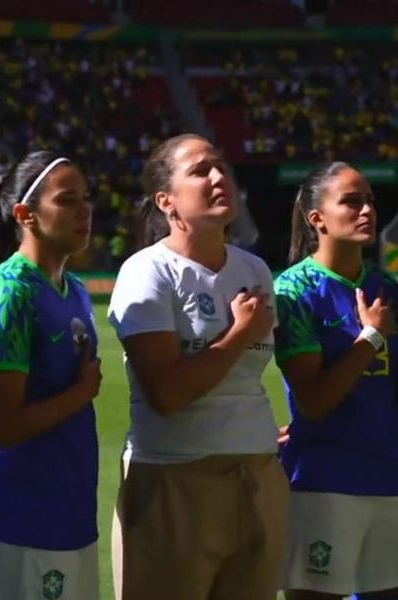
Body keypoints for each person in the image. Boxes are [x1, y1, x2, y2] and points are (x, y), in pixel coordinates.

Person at [108, 133, 289, 600]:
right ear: (166, 202)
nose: (218, 177)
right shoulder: (147, 272)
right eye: (200, 170)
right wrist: (237, 336)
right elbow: (166, 394)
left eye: (221, 167)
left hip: (257, 475)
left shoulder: (253, 270)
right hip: (174, 481)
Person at [0, 151, 102, 600]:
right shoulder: (9, 291)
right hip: (25, 518)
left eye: (86, 198)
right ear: (25, 214)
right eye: (67, 200)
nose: (85, 211)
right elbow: (5, 426)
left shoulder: (75, 290)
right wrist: (83, 392)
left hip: (72, 512)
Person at [274, 162, 398, 600]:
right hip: (324, 484)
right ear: (317, 218)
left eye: (369, 200)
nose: (367, 210)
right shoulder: (293, 293)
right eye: (351, 201)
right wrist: (372, 336)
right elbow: (315, 402)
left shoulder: (388, 288)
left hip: (389, 482)